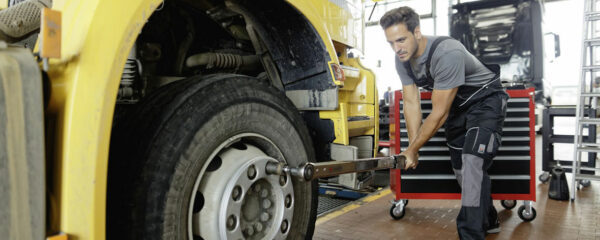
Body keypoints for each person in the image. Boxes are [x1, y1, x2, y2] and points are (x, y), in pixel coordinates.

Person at [380, 6, 509, 240]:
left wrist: (413, 149)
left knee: (472, 162)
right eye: (391, 43)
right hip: (458, 110)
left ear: (417, 32)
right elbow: (411, 103)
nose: (396, 48)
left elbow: (438, 113)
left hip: (485, 102)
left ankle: (470, 235)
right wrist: (412, 149)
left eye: (401, 40)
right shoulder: (403, 60)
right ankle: (488, 219)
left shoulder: (446, 53)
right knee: (463, 172)